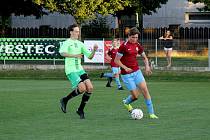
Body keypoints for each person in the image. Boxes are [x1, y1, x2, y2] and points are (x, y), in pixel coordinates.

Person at [114, 27, 158, 119]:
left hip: (137, 71)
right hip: (126, 75)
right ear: (129, 36)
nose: (135, 39)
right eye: (133, 37)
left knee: (145, 90)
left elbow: (145, 57)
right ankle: (126, 102)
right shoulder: (124, 46)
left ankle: (152, 114)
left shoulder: (137, 45)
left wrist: (147, 66)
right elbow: (116, 60)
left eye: (136, 37)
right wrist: (125, 68)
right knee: (135, 96)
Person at [59, 23, 98, 119]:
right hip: (71, 70)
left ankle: (80, 109)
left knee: (90, 88)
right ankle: (65, 100)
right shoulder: (67, 42)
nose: (78, 33)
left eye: (78, 31)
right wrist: (75, 55)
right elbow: (62, 53)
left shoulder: (80, 44)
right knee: (82, 88)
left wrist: (94, 50)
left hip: (80, 69)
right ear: (71, 32)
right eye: (76, 31)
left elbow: (90, 57)